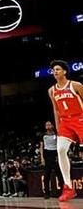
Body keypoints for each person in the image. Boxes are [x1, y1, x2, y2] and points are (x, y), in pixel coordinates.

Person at [48, 59, 83, 202]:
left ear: (65, 71)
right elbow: (56, 110)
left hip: (80, 118)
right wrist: (57, 127)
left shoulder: (76, 85)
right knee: (61, 150)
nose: (55, 72)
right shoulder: (52, 90)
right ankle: (68, 187)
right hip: (65, 122)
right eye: (53, 70)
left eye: (57, 69)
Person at [40, 120, 62, 199]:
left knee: (59, 174)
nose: (48, 126)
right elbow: (41, 146)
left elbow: (59, 144)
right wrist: (42, 158)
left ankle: (61, 192)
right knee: (46, 176)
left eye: (49, 124)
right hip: (47, 155)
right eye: (47, 125)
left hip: (55, 154)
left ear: (52, 126)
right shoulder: (43, 135)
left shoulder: (56, 134)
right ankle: (47, 193)